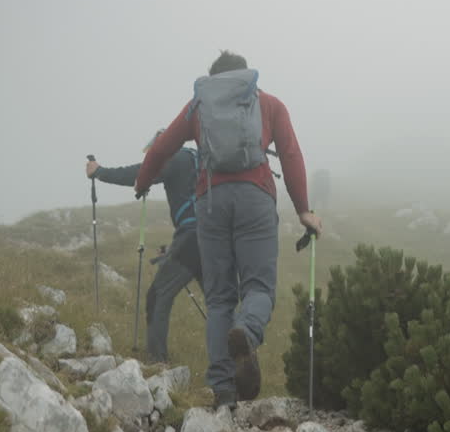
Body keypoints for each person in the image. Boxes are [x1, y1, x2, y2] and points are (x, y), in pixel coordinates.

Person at [135, 50, 322, 409]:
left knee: (220, 298)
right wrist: (304, 211)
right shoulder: (269, 104)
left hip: (211, 202)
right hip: (256, 198)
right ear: (245, 76)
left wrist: (143, 182)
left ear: (214, 78)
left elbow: (161, 149)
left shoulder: (199, 106)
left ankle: (223, 391)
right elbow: (291, 155)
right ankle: (247, 332)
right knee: (258, 287)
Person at [85, 132, 202, 363]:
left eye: (153, 154)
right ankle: (236, 367)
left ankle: (157, 364)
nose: (152, 158)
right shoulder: (196, 158)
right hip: (215, 238)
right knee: (220, 304)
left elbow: (140, 173)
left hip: (192, 237)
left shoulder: (173, 157)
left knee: (157, 297)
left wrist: (100, 172)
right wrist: (173, 251)